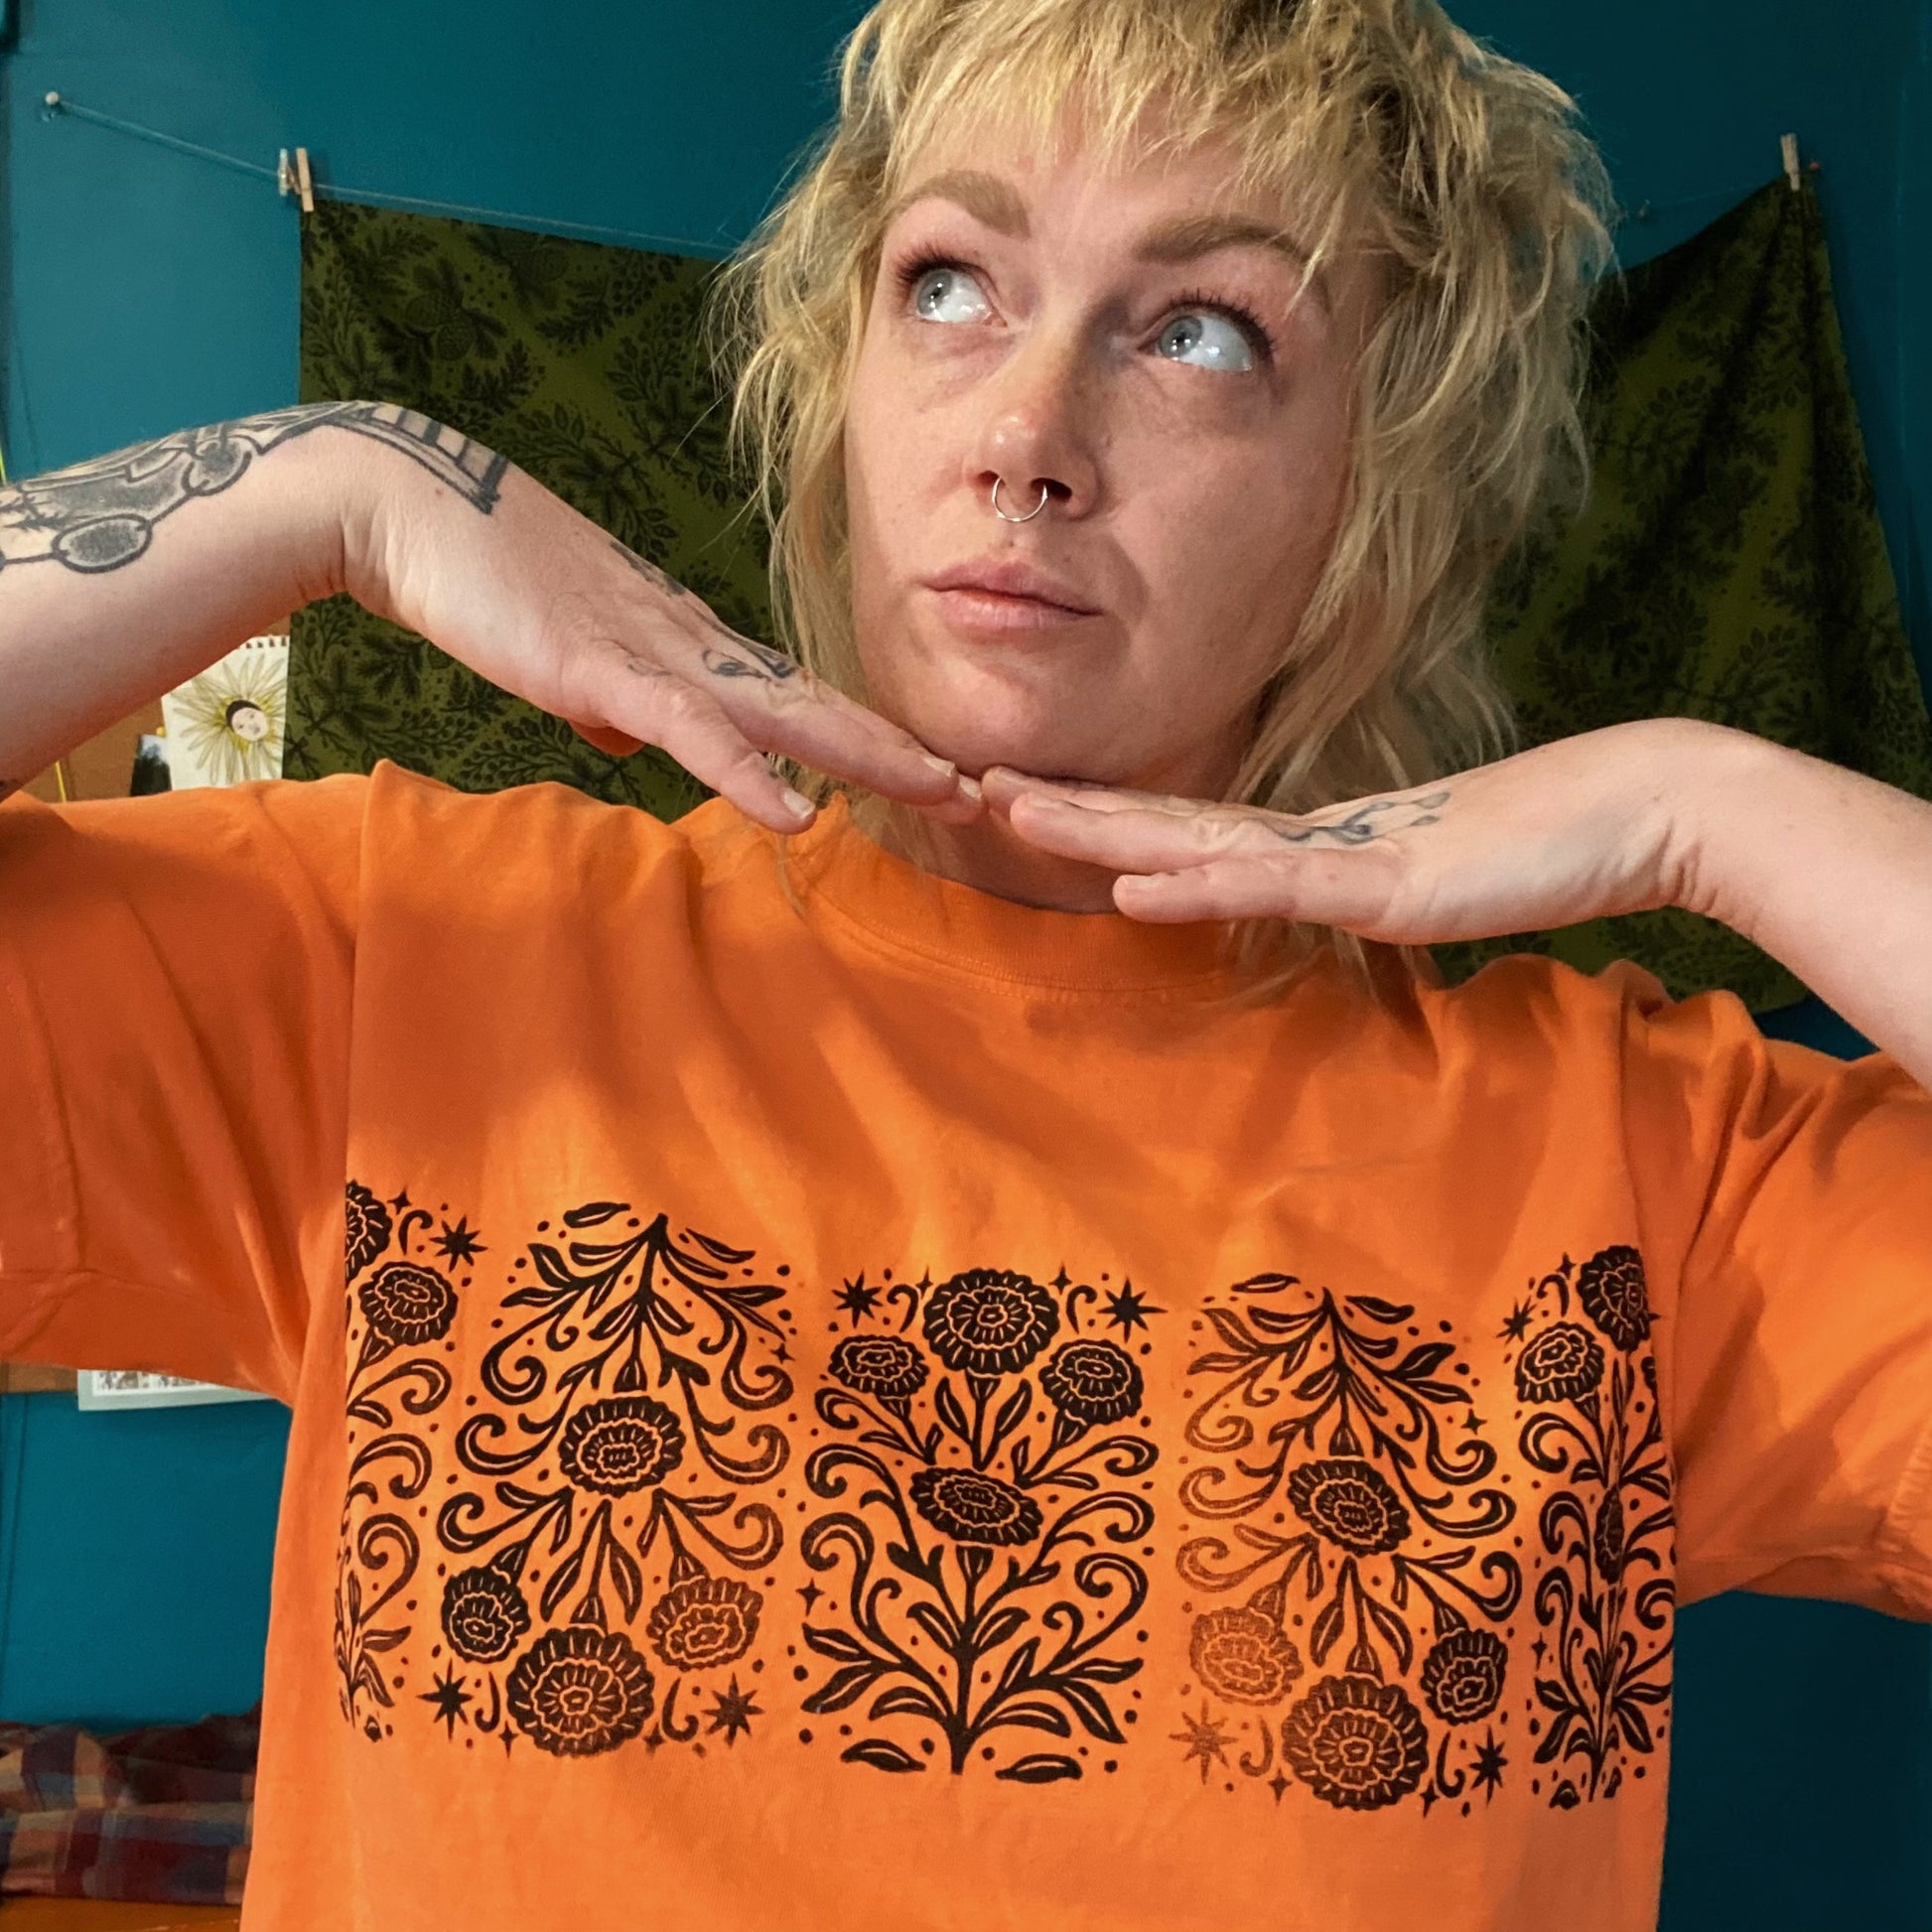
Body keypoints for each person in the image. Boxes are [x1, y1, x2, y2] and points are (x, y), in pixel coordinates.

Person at [1, 0, 1928, 1926]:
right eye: (947, 287)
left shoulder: (1641, 1168)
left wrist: (1712, 806)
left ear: (1377, 493)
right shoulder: (405, 961)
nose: (1023, 438)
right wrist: (330, 484)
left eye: (1200, 333)